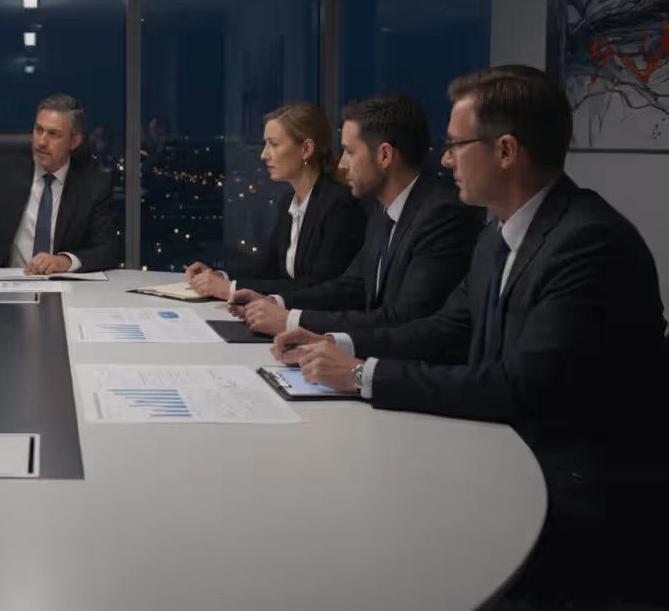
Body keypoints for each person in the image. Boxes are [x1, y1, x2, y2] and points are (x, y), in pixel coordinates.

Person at [274, 65, 668, 606]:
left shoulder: (589, 244)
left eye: (457, 145)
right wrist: (337, 349)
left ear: (505, 151)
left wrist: (364, 375)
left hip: (576, 497)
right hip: (502, 457)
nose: (443, 159)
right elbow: (447, 327)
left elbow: (519, 385)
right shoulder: (496, 237)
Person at [230, 94, 482, 335]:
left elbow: (404, 319)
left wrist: (292, 320)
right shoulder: (382, 209)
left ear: (384, 155)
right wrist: (276, 302)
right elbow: (353, 286)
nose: (342, 164)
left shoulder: (442, 214)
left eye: (350, 151)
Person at [185, 103, 366, 301]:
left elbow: (317, 286)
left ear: (306, 149)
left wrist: (230, 288)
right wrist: (219, 276)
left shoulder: (340, 206)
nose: (264, 154)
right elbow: (268, 267)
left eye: (274, 144)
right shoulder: (288, 202)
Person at [0, 91, 115, 273]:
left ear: (74, 141)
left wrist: (65, 262)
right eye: (39, 130)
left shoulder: (94, 184)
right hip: (4, 281)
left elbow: (107, 250)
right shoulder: (7, 170)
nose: (42, 142)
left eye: (53, 134)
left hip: (63, 285)